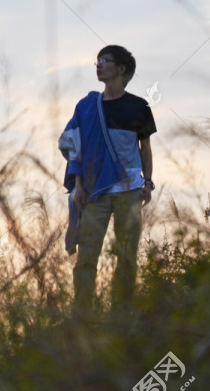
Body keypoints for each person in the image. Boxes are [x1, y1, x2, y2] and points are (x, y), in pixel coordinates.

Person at [58, 45, 157, 317]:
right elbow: (75, 146)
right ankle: (82, 316)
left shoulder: (139, 106)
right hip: (93, 192)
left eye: (105, 60)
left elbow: (145, 148)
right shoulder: (87, 106)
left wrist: (147, 182)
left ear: (121, 69)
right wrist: (78, 184)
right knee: (87, 256)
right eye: (97, 61)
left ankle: (121, 314)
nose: (98, 65)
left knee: (126, 255)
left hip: (129, 190)